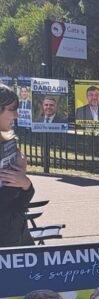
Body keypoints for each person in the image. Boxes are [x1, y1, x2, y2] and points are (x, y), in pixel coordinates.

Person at [0, 85, 35, 245]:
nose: (16, 115)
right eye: (12, 109)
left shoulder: (7, 143)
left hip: (18, 237)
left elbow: (20, 206)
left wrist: (25, 183)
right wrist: (14, 184)